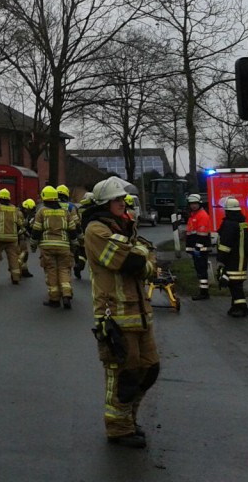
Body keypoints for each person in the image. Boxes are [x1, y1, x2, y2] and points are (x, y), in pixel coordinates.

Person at [83, 176, 159, 449]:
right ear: (104, 202)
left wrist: (143, 255)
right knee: (124, 375)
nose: (122, 203)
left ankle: (129, 419)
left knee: (149, 369)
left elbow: (147, 254)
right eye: (118, 199)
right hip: (115, 316)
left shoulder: (123, 227)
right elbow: (132, 262)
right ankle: (118, 428)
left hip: (140, 313)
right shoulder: (96, 231)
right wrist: (143, 255)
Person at [32, 185, 76, 308]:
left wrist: (33, 245)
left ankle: (54, 299)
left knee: (51, 270)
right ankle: (66, 295)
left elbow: (36, 230)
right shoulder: (65, 212)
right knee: (64, 269)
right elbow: (72, 230)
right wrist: (74, 243)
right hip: (64, 246)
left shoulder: (41, 211)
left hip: (47, 246)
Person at [216, 197, 248, 317]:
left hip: (232, 260)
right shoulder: (242, 222)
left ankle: (242, 308)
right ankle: (235, 306)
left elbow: (225, 244)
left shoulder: (229, 224)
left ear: (228, 211)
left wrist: (220, 259)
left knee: (235, 285)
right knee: (235, 284)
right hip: (241, 259)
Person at [185, 193, 214, 300]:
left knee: (202, 272)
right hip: (197, 249)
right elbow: (191, 233)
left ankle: (204, 293)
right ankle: (203, 291)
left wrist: (197, 248)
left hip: (201, 250)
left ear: (199, 204)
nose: (193, 205)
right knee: (200, 272)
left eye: (195, 203)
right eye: (191, 203)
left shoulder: (202, 216)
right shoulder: (194, 215)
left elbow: (202, 235)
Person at [0, 189, 23, 284]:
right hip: (12, 239)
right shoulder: (14, 208)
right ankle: (16, 277)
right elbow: (19, 223)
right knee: (13, 259)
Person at [18, 198, 36, 278]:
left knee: (25, 253)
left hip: (21, 236)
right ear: (26, 209)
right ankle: (17, 269)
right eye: (30, 210)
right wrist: (27, 233)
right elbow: (21, 226)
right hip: (17, 236)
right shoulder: (19, 214)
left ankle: (24, 270)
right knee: (22, 253)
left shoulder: (24, 214)